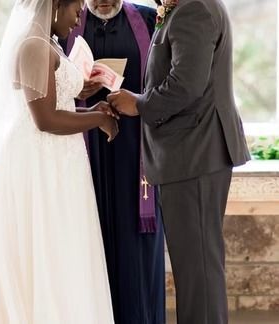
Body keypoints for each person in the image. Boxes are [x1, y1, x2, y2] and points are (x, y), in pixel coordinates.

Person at [0, 0, 118, 323]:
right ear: (57, 5)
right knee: (42, 246)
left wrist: (92, 110)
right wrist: (97, 121)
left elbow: (59, 106)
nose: (77, 21)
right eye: (76, 11)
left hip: (58, 159)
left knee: (60, 247)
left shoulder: (48, 43)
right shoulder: (33, 45)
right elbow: (45, 119)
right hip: (41, 162)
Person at [107, 0, 251, 323]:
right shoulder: (188, 7)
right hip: (194, 154)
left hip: (195, 154)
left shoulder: (193, 10)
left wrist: (139, 104)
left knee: (198, 270)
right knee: (198, 268)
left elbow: (186, 85)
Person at [61, 1, 166, 323]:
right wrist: (79, 87)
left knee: (136, 249)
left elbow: (169, 82)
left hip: (138, 151)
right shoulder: (66, 23)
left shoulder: (150, 21)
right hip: (85, 144)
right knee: (89, 240)